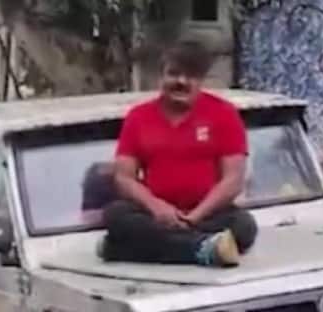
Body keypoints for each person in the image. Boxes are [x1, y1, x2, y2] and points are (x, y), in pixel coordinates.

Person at [101, 39, 258, 268]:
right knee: (115, 215)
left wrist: (195, 216)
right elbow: (124, 177)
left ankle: (121, 249)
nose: (181, 82)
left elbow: (233, 180)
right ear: (160, 77)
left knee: (244, 226)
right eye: (173, 74)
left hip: (208, 215)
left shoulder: (224, 114)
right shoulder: (138, 117)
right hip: (154, 216)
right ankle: (202, 249)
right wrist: (157, 208)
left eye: (190, 76)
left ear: (201, 80)